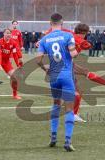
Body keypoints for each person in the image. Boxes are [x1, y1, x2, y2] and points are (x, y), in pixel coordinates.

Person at [36, 13, 79, 152]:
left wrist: (45, 69)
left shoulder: (44, 39)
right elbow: (73, 54)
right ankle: (67, 141)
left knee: (55, 105)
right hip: (66, 76)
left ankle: (53, 138)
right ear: (62, 22)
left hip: (53, 76)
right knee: (69, 108)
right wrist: (73, 49)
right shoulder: (67, 36)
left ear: (50, 23)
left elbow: (38, 60)